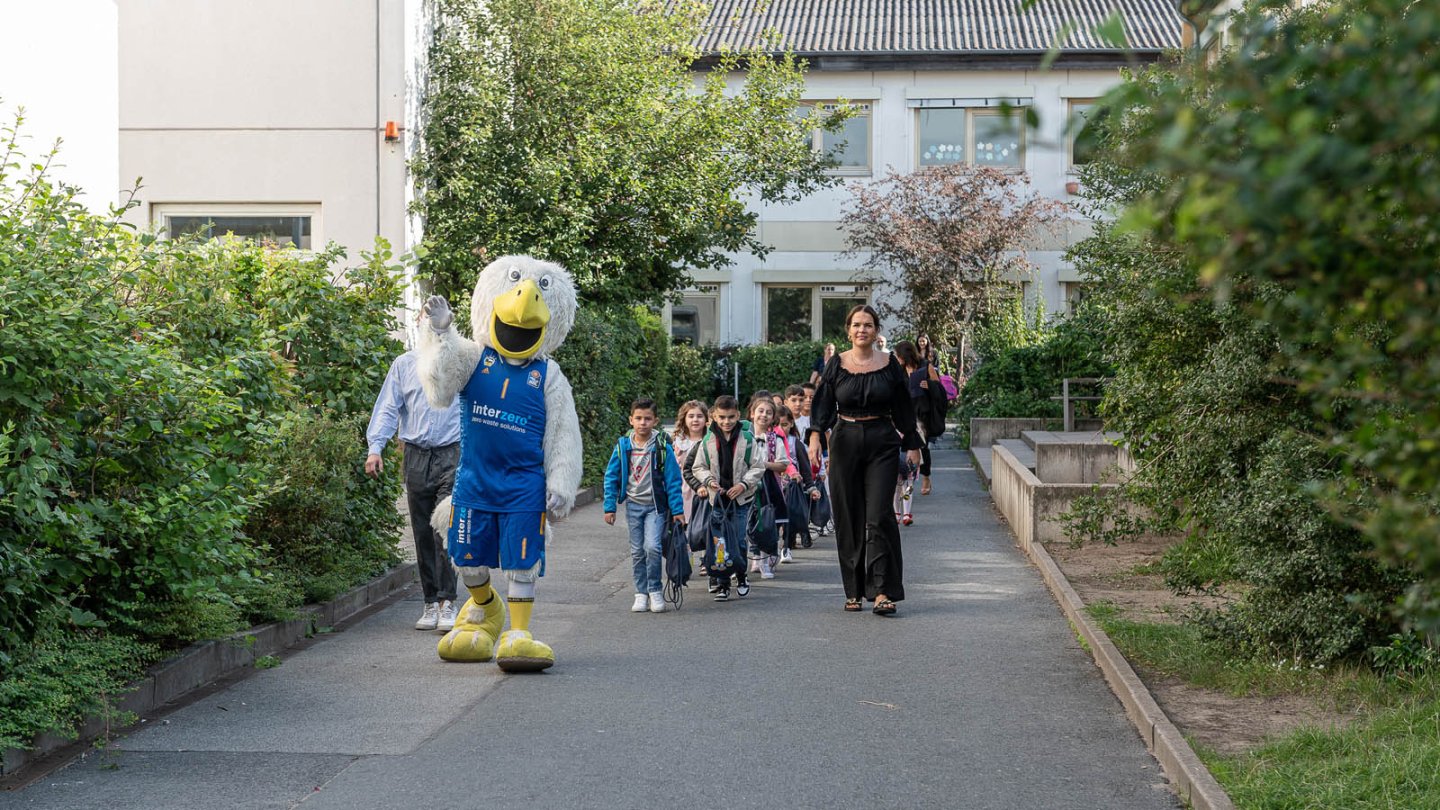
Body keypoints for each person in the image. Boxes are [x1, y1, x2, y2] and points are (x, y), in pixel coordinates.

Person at [807, 305, 922, 616]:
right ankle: (854, 590)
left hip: (882, 440)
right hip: (844, 440)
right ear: (848, 330)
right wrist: (816, 437)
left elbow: (903, 407)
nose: (862, 330)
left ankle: (883, 591)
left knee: (880, 514)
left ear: (876, 330)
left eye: (868, 325)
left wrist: (913, 445)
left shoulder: (890, 365)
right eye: (857, 325)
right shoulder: (837, 365)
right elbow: (823, 404)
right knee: (848, 515)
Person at [366, 349, 463, 632]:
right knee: (421, 530)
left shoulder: (461, 361)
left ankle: (448, 602)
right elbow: (387, 406)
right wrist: (375, 448)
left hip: (452, 453)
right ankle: (430, 601)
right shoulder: (404, 364)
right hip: (416, 455)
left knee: (445, 526)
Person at [603, 398, 686, 614]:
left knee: (653, 547)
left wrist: (677, 511)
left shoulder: (662, 447)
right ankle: (641, 593)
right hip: (633, 506)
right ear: (631, 420)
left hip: (655, 507)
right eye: (638, 418)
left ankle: (655, 590)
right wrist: (609, 506)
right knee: (638, 551)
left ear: (655, 421)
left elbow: (673, 480)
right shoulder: (623, 446)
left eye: (647, 419)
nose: (643, 423)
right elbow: (611, 476)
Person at [687, 395, 764, 601]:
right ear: (713, 416)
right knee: (719, 541)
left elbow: (758, 466)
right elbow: (698, 467)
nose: (726, 421)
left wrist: (743, 485)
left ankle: (740, 574)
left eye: (731, 417)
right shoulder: (708, 440)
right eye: (722, 417)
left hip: (740, 499)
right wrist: (709, 480)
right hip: (718, 500)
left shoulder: (747, 439)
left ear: (738, 415)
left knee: (738, 539)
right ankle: (722, 582)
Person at [748, 396, 791, 579]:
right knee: (748, 522)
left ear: (773, 417)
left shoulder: (775, 439)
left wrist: (763, 464)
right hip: (747, 483)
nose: (764, 415)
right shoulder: (744, 437)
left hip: (768, 485)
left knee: (767, 523)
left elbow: (783, 464)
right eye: (760, 411)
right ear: (752, 413)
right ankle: (753, 557)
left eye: (768, 412)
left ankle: (766, 562)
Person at [777, 405, 822, 552]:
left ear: (791, 423)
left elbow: (805, 468)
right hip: (774, 487)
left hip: (793, 489)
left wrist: (811, 487)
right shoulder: (767, 441)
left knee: (792, 517)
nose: (780, 428)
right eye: (776, 424)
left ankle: (789, 544)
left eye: (784, 424)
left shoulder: (795, 443)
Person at [671, 400, 710, 524]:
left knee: (701, 523)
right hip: (682, 487)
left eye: (699, 416)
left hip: (704, 487)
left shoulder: (710, 440)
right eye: (691, 416)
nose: (695, 420)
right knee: (683, 523)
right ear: (684, 419)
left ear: (706, 419)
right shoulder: (678, 441)